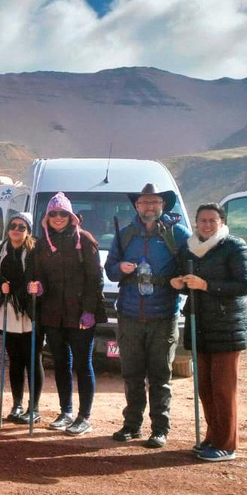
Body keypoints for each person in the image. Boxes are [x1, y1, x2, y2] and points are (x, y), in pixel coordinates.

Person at [105, 183, 190, 448]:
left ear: (163, 206)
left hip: (163, 317)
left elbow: (189, 272)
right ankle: (132, 425)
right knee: (131, 374)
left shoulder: (179, 235)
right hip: (129, 315)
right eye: (144, 202)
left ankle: (160, 429)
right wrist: (120, 267)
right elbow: (110, 270)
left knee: (160, 377)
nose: (149, 207)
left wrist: (180, 282)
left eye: (155, 202)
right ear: (136, 206)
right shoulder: (124, 234)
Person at [170, 203, 247, 462]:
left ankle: (227, 444)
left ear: (221, 222)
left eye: (212, 220)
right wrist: (179, 284)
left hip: (226, 327)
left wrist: (206, 285)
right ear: (196, 222)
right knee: (205, 387)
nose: (206, 224)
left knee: (223, 389)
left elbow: (243, 284)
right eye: (202, 220)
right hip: (199, 325)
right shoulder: (189, 248)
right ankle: (213, 437)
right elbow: (187, 284)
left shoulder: (234, 246)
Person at [29, 192, 105, 435]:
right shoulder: (42, 244)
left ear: (71, 216)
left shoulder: (85, 240)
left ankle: (85, 417)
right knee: (61, 363)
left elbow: (96, 279)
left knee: (83, 364)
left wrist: (90, 311)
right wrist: (38, 286)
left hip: (81, 314)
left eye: (63, 213)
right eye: (54, 213)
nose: (58, 217)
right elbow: (37, 273)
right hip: (53, 314)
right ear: (47, 217)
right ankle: (66, 411)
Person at [0, 212, 43, 424]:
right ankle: (17, 404)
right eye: (14, 225)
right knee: (16, 360)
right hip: (9, 311)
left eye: (22, 227)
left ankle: (34, 408)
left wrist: (36, 288)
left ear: (28, 230)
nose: (17, 230)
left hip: (31, 311)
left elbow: (43, 278)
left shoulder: (36, 251)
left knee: (33, 359)